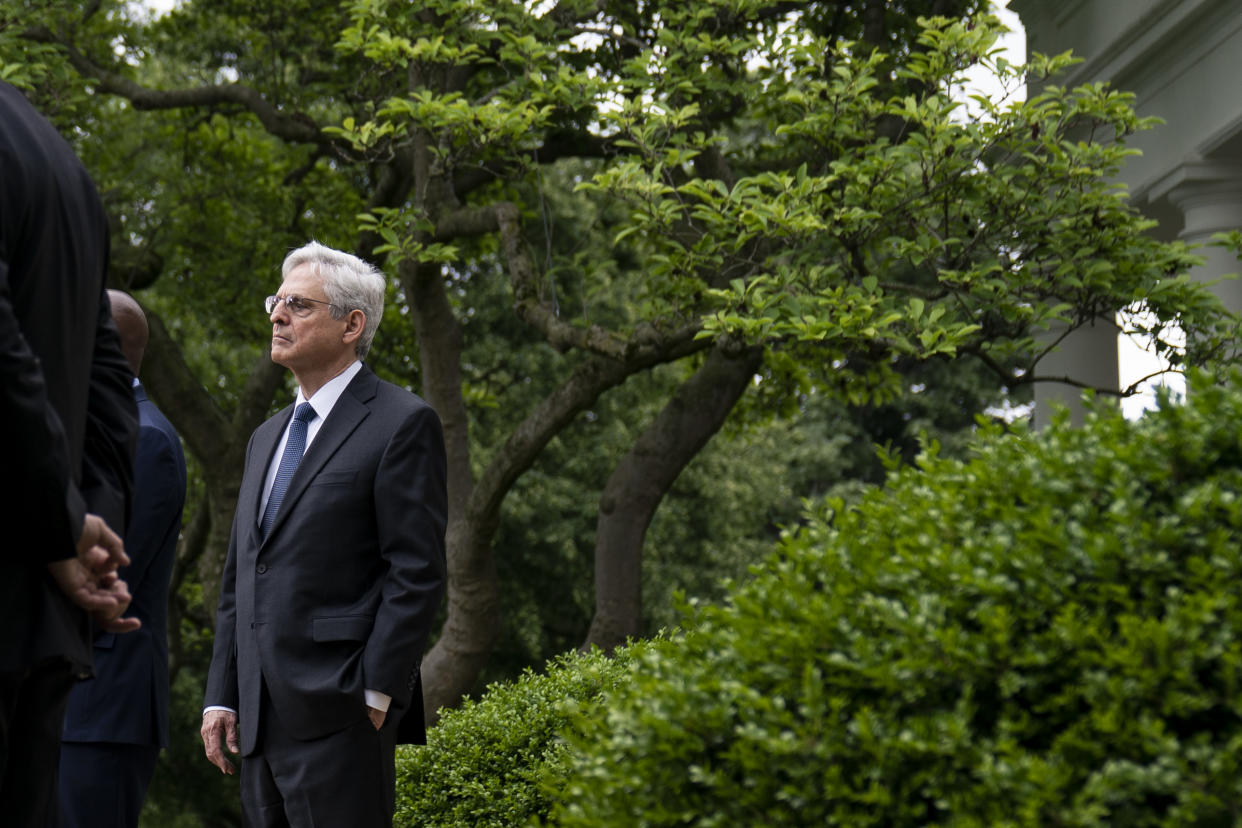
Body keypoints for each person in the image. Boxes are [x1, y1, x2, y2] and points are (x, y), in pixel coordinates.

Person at [201, 241, 447, 827]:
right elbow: (244, 573)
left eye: (298, 305)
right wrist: (222, 693)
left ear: (351, 324)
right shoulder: (266, 437)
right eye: (276, 301)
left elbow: (416, 572)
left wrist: (375, 694)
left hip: (343, 715)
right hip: (258, 722)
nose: (277, 315)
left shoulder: (402, 422)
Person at [0, 81, 141, 827]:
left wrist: (59, 524)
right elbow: (110, 386)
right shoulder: (63, 163)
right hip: (45, 620)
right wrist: (85, 530)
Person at [59, 291, 187, 828]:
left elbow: (104, 577)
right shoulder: (94, 431)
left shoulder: (148, 441)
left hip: (100, 707)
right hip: (68, 703)